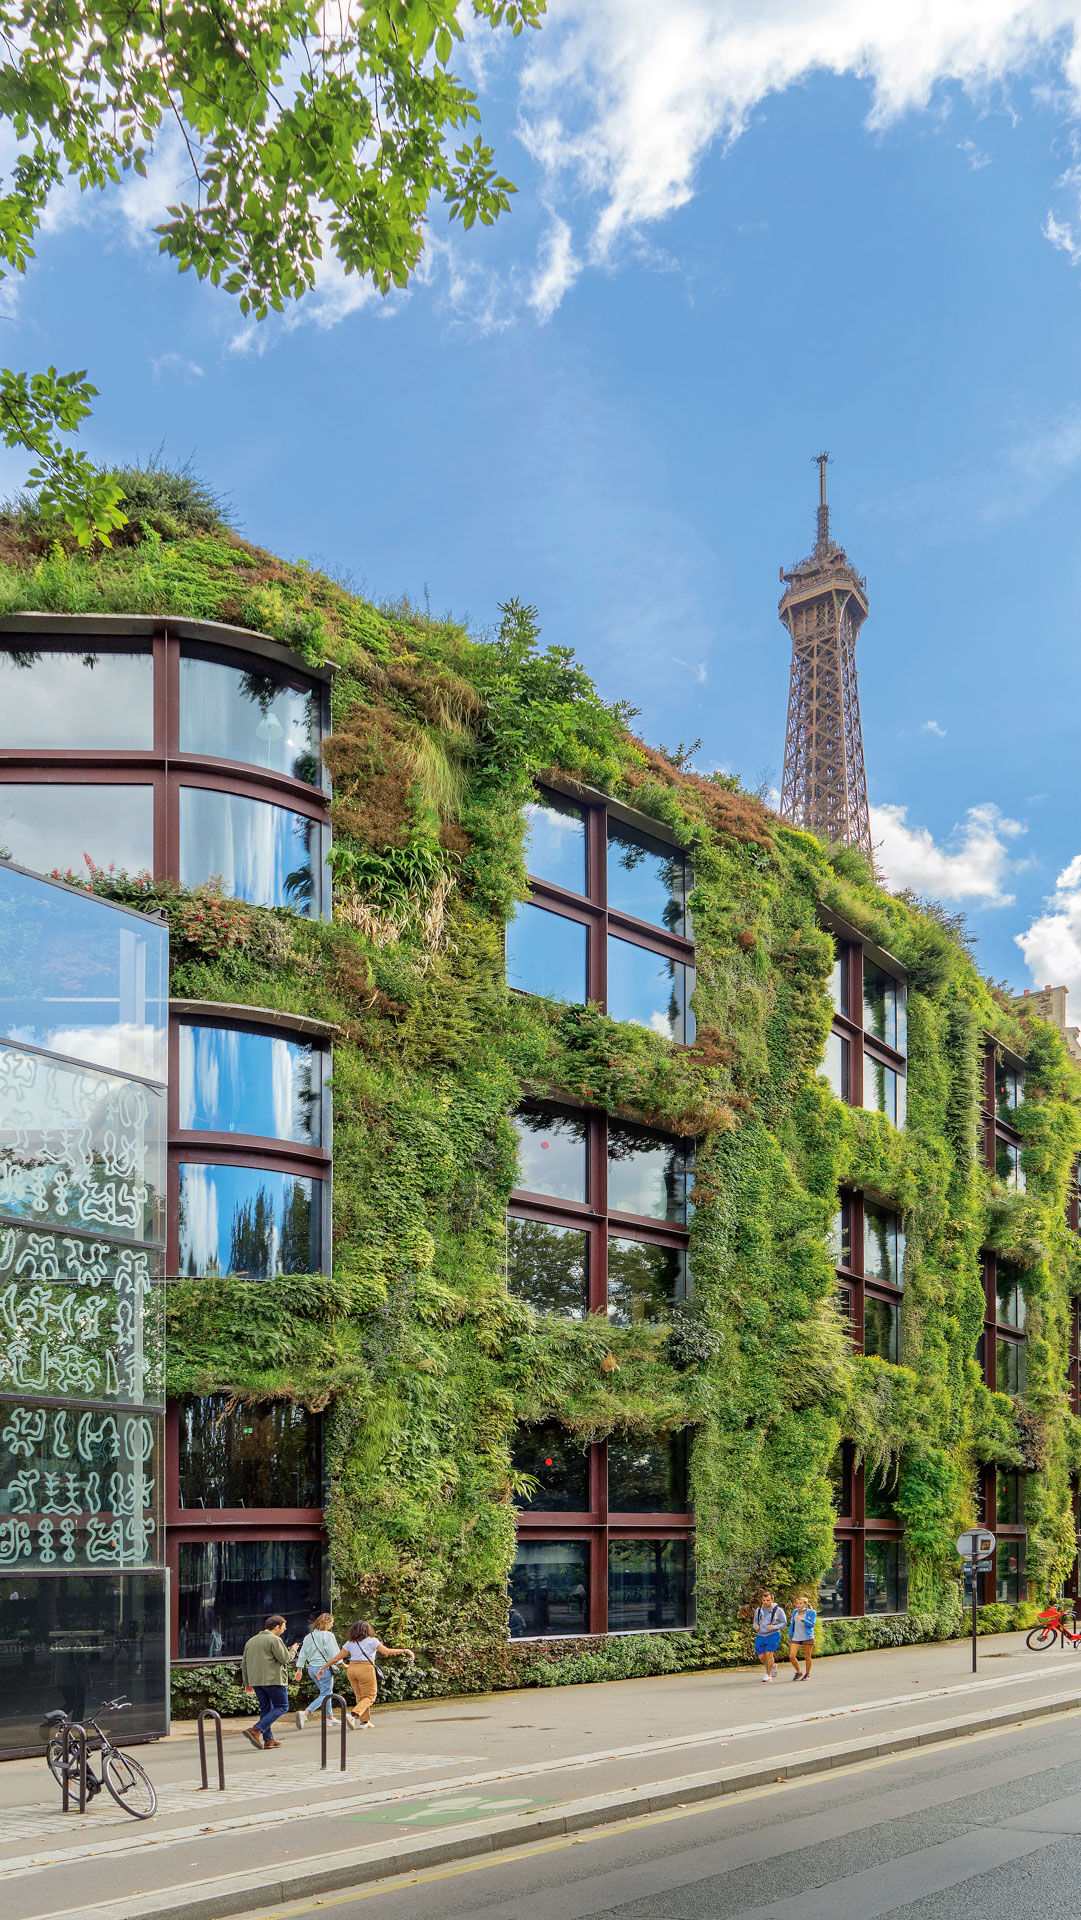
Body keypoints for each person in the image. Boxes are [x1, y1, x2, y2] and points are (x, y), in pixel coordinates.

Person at [317, 1618, 415, 1728]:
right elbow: (387, 1651)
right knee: (370, 1696)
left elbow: (337, 1658)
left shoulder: (350, 1643)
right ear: (367, 1630)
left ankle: (364, 1722)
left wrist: (323, 1668)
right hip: (366, 1669)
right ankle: (352, 1714)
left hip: (352, 1668)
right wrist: (405, 1650)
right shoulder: (372, 1640)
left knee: (360, 1696)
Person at [241, 1613, 299, 1750]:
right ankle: (255, 1730)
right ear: (276, 1627)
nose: (284, 1630)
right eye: (283, 1627)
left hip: (256, 1681)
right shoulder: (274, 1640)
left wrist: (247, 1682)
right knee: (282, 1707)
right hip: (273, 1679)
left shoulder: (251, 1641)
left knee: (265, 1709)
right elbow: (285, 1659)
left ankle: (268, 1740)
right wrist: (294, 1651)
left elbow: (244, 1663)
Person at [294, 1611, 354, 1730]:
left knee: (325, 1693)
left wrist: (299, 1669)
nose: (332, 1625)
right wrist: (342, 1663)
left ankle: (330, 1718)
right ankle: (305, 1713)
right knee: (326, 1694)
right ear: (325, 1623)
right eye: (331, 1623)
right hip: (324, 1669)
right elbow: (334, 1653)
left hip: (311, 1669)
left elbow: (302, 1654)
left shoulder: (308, 1636)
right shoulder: (328, 1636)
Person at [752, 1590, 787, 1681]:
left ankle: (767, 1675)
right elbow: (755, 1621)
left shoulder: (779, 1610)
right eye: (763, 1600)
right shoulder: (758, 1610)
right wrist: (755, 1626)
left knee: (769, 1654)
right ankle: (773, 1666)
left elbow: (784, 1623)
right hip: (760, 1635)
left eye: (768, 1600)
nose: (765, 1602)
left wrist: (775, 1627)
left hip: (773, 1634)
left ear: (772, 1600)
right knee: (761, 1657)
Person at [788, 1594, 817, 1680]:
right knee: (791, 1656)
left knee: (807, 1656)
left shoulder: (811, 1612)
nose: (798, 1605)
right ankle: (799, 1672)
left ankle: (807, 1674)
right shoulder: (795, 1612)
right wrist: (790, 1632)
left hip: (807, 1637)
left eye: (801, 1603)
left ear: (805, 1604)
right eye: (797, 1603)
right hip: (796, 1637)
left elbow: (812, 1624)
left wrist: (803, 1620)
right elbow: (792, 1623)